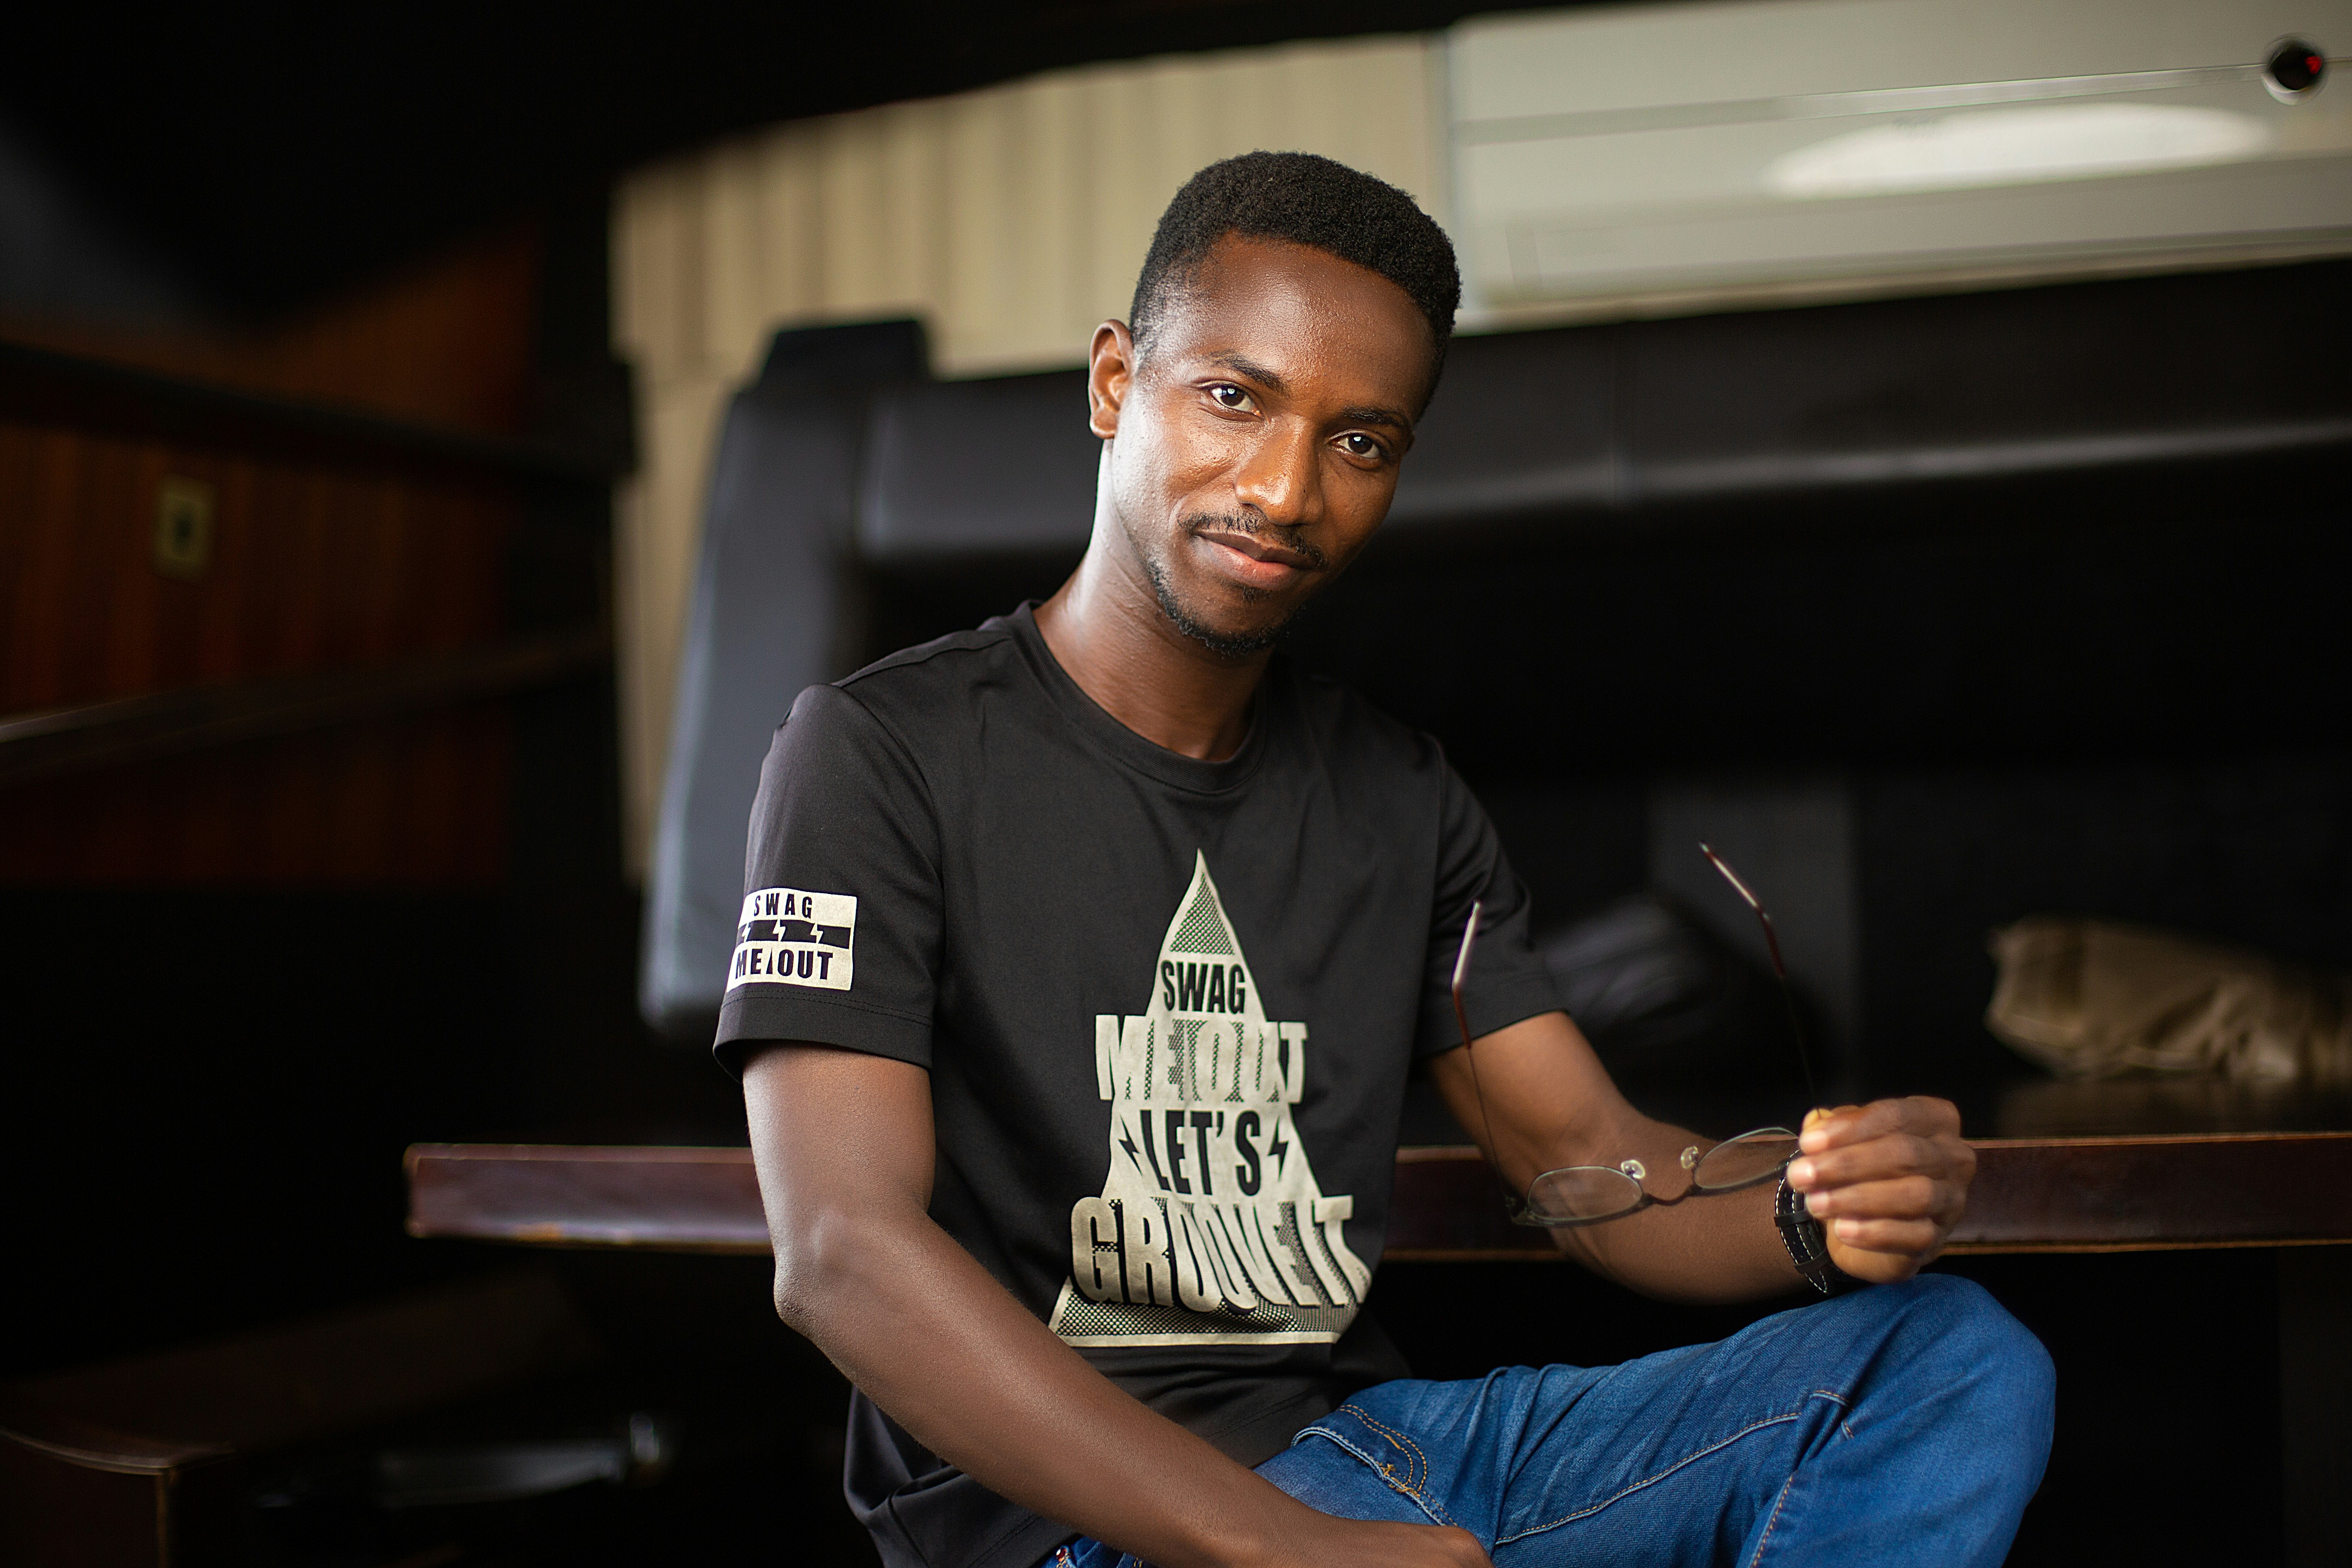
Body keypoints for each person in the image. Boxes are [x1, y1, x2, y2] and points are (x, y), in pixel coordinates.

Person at [721, 152, 2054, 1568]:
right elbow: (843, 1258)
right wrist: (1276, 1546)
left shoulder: (1398, 793)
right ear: (1117, 382)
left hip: (1391, 1455)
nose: (1287, 489)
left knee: (1949, 1363)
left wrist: (1814, 1205)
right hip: (1089, 1528)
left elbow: (1588, 1166)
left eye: (1360, 441)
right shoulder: (877, 752)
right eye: (1234, 397)